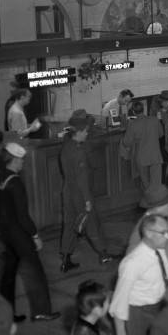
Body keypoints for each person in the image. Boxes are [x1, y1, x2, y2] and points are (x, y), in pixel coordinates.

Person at [0, 143, 60, 323]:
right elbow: (23, 216)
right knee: (36, 273)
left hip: (4, 233)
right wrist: (35, 236)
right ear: (14, 160)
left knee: (8, 275)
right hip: (19, 235)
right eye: (21, 159)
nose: (23, 162)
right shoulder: (15, 183)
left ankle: (7, 314)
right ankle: (41, 311)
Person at [60, 109, 113, 272]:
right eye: (86, 132)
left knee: (70, 225)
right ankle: (103, 254)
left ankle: (65, 259)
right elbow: (82, 179)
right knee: (92, 224)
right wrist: (88, 200)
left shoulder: (66, 147)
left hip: (67, 192)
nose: (87, 134)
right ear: (80, 132)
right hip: (80, 195)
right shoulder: (79, 151)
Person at [110, 214, 168, 335]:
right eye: (164, 233)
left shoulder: (161, 250)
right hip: (139, 313)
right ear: (149, 233)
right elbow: (120, 301)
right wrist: (121, 334)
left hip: (160, 306)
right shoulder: (132, 263)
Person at [121, 101, 164, 193]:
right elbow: (161, 134)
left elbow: (126, 142)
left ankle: (151, 204)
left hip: (142, 159)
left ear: (133, 112)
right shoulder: (154, 120)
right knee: (157, 185)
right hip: (155, 157)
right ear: (143, 109)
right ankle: (159, 204)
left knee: (147, 185)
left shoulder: (132, 124)